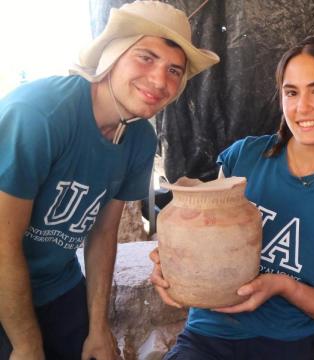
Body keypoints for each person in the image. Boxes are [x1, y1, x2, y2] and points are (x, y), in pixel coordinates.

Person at [0, 1, 219, 359]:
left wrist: (98, 326)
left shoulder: (140, 139)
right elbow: (2, 243)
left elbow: (103, 233)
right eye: (146, 57)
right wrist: (27, 344)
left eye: (174, 70)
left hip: (57, 283)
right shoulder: (39, 115)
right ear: (113, 55)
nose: (160, 81)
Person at [150, 34, 314, 359]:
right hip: (209, 334)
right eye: (292, 92)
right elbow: (200, 229)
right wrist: (173, 264)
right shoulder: (243, 158)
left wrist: (284, 286)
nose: (302, 107)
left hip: (290, 343)